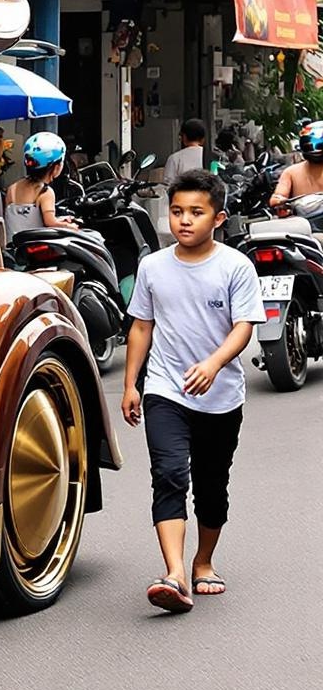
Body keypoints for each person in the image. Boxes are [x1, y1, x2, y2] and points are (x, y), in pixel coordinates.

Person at [121, 168, 266, 613]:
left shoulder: (235, 266)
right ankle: (174, 573)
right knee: (168, 474)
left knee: (211, 483)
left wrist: (215, 363)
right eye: (177, 211)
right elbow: (141, 327)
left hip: (221, 395)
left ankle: (203, 562)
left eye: (196, 212)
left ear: (218, 218)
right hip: (165, 388)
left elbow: (244, 326)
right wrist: (130, 384)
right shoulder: (152, 266)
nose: (184, 220)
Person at [2, 130, 68, 238]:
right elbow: (49, 222)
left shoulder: (12, 189)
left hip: (14, 249)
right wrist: (70, 226)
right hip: (35, 248)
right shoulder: (45, 192)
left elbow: (24, 221)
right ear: (56, 167)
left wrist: (59, 220)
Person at [269, 120, 323, 216]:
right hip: (305, 225)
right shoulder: (291, 172)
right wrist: (281, 203)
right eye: (310, 146)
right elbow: (277, 198)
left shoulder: (291, 172)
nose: (316, 150)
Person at [162, 117, 207, 192]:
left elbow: (168, 186)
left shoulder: (175, 158)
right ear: (203, 138)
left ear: (184, 137)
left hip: (183, 201)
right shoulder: (211, 157)